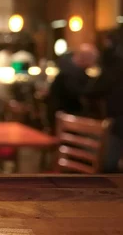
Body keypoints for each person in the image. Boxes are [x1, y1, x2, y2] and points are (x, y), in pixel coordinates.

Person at [86, 29, 123, 173]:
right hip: (116, 116)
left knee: (108, 164)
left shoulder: (115, 64)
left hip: (117, 118)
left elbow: (93, 92)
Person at [47, 44, 99, 129]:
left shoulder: (68, 67)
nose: (94, 63)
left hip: (61, 116)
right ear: (85, 58)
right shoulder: (71, 73)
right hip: (64, 120)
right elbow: (79, 94)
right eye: (93, 59)